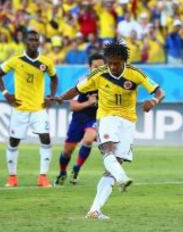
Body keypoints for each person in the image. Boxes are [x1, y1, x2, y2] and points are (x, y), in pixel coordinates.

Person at [55, 41, 165, 219]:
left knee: (115, 164)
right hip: (106, 117)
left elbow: (160, 91)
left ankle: (94, 210)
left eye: (117, 63)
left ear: (124, 61)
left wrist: (154, 101)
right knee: (108, 150)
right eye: (110, 63)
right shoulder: (99, 74)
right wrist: (61, 97)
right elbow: (76, 89)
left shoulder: (135, 74)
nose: (113, 67)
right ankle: (122, 178)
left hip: (128, 121)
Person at [0, 30, 58, 188]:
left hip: (38, 109)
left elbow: (54, 77)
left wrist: (51, 95)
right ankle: (12, 177)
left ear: (39, 42)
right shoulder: (16, 60)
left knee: (46, 138)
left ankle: (43, 177)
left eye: (36, 40)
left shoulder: (46, 62)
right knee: (14, 141)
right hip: (20, 108)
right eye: (31, 40)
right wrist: (5, 93)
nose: (34, 42)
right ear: (25, 42)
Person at [55, 53, 105, 186]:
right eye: (95, 67)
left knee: (89, 139)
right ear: (89, 67)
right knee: (67, 150)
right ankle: (62, 172)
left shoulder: (107, 84)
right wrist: (89, 103)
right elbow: (73, 106)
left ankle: (76, 168)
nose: (98, 70)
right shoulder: (82, 82)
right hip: (79, 117)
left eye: (101, 67)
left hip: (94, 118)